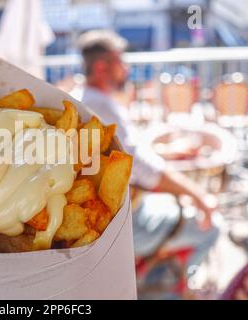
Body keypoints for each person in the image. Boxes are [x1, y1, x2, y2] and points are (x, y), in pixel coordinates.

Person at [70, 30, 219, 269]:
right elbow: (142, 169)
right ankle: (173, 292)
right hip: (124, 228)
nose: (126, 68)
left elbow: (126, 156)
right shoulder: (101, 106)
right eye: (120, 61)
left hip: (103, 222)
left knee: (171, 203)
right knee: (211, 228)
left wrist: (164, 153)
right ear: (101, 67)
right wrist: (199, 196)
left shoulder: (80, 98)